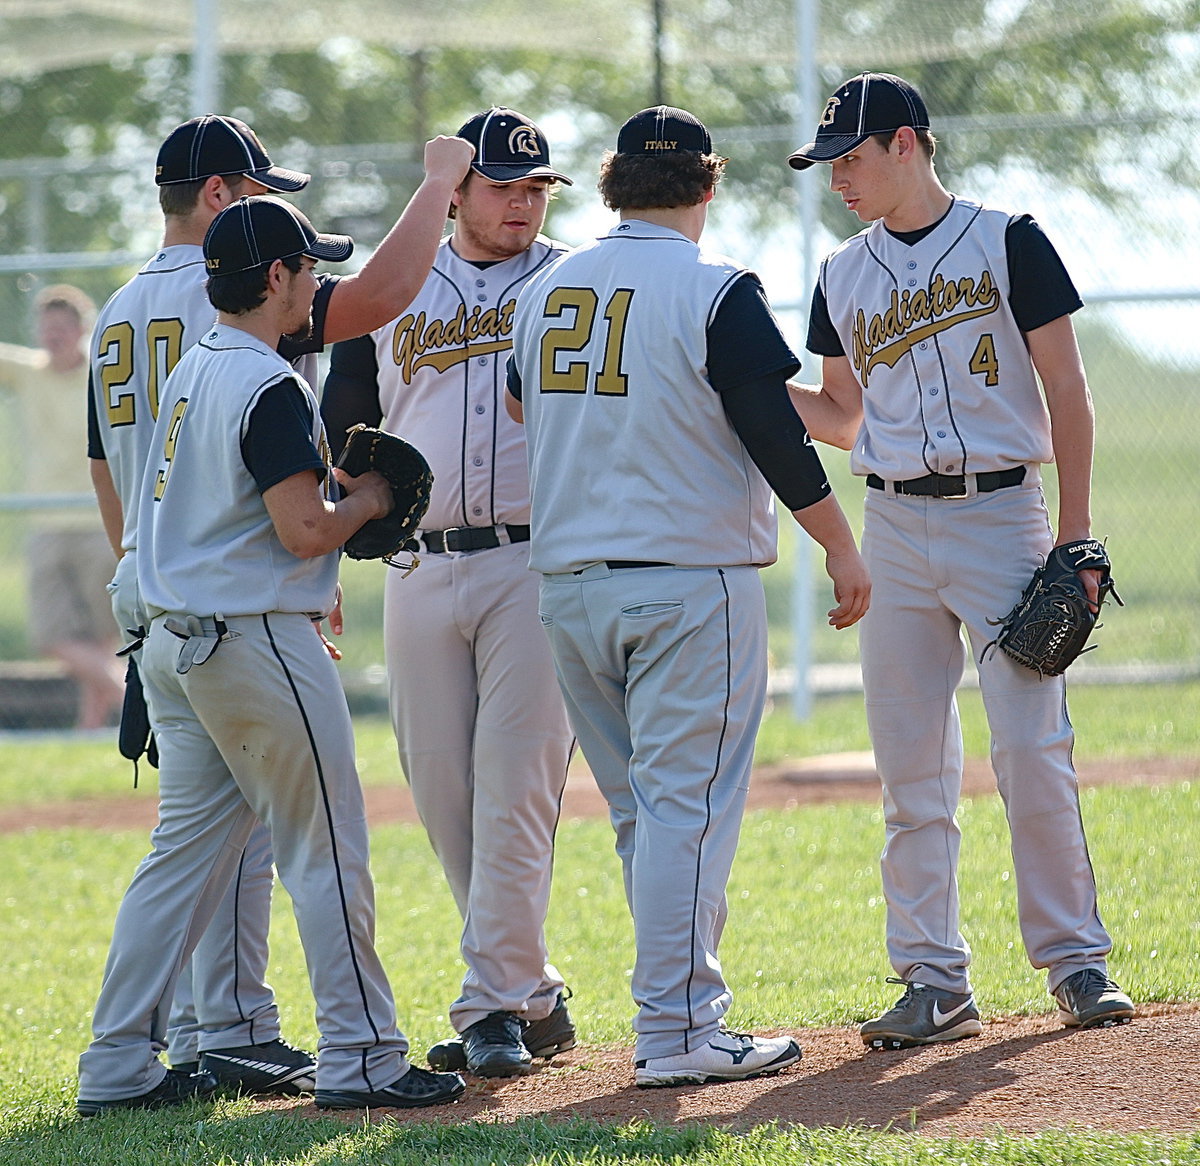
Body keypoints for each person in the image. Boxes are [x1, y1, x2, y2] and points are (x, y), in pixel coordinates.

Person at [83, 115, 473, 1102]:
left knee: (179, 863)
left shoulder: (193, 364)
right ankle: (364, 1057)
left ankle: (118, 1065)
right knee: (327, 845)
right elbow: (304, 528)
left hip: (172, 641)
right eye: (306, 267)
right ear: (274, 279)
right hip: (251, 639)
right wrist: (371, 501)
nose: (314, 283)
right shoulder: (263, 381)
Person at [507, 106, 870, 1088]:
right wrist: (841, 545)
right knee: (688, 812)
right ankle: (678, 1027)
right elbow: (773, 428)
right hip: (682, 584)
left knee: (647, 815)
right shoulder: (717, 288)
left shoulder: (548, 287)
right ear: (707, 188)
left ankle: (675, 1013)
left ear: (613, 184)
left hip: (568, 588)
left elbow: (517, 397)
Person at [786, 71, 1135, 1049]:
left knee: (1030, 746)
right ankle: (934, 979)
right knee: (910, 768)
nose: (837, 180)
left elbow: (1067, 386)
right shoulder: (840, 274)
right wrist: (748, 387)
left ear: (906, 144)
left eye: (849, 159)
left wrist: (1075, 532)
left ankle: (1074, 960)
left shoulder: (1006, 237)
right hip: (894, 524)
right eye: (829, 165)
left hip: (1003, 515)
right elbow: (844, 416)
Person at [322, 107, 577, 1078]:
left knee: (514, 786)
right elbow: (345, 423)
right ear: (456, 192)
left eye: (535, 188)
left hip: (532, 559)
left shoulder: (569, 280)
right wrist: (329, 555)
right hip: (419, 561)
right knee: (442, 791)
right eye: (503, 186)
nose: (521, 202)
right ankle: (533, 992)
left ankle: (489, 1006)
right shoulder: (393, 283)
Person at [0, 285, 123, 730]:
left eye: (62, 327)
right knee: (52, 637)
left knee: (102, 637)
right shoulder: (29, 372)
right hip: (47, 524)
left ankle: (88, 737)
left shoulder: (103, 374)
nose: (53, 335)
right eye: (46, 327)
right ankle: (129, 696)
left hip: (100, 520)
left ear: (81, 330)